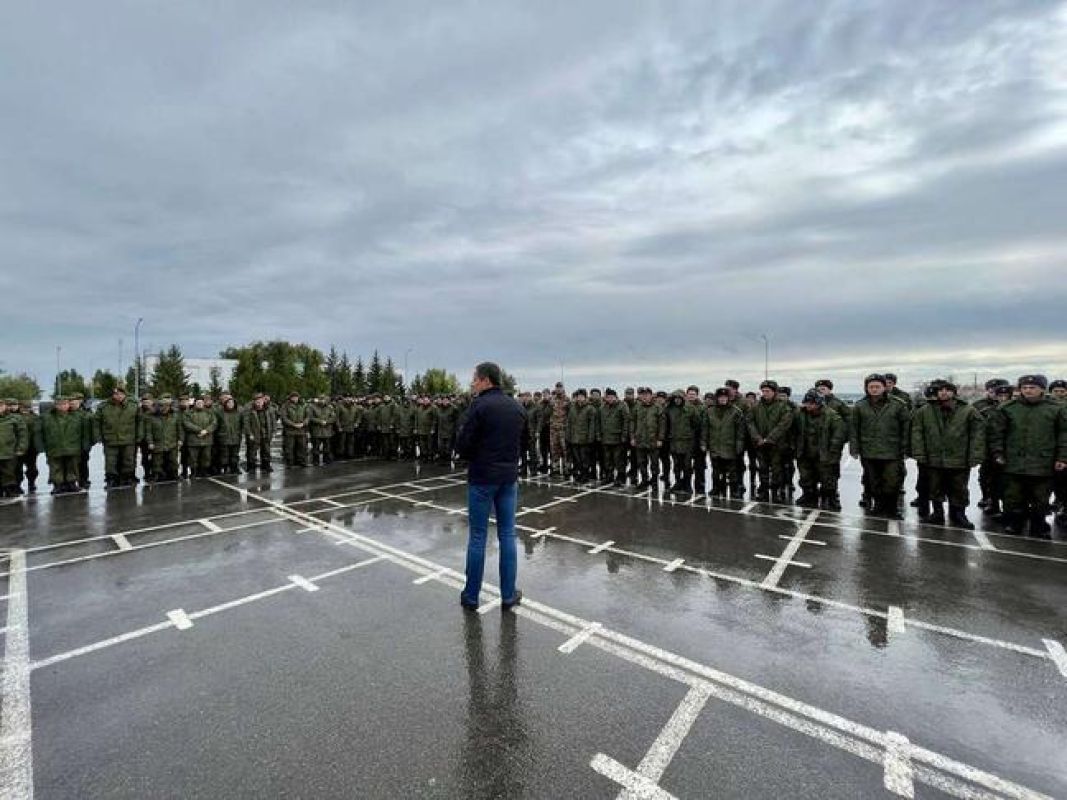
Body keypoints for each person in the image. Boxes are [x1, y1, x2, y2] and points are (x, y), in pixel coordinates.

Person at [455, 362, 526, 611]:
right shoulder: (516, 407)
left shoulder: (479, 406)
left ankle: (471, 596)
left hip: (483, 479)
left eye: (475, 378)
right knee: (508, 534)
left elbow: (463, 445)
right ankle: (508, 595)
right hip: (508, 478)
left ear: (486, 380)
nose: (472, 383)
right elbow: (523, 443)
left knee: (477, 537)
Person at [987, 375, 1067, 538]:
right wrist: (998, 453)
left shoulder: (1057, 409)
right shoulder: (1008, 408)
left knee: (1041, 498)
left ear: (1042, 389)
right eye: (1024, 388)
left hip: (1043, 462)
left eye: (1032, 387)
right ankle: (1016, 523)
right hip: (1014, 462)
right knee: (1014, 497)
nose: (1028, 390)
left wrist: (1062, 458)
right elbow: (996, 434)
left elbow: (1064, 435)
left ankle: (1038, 525)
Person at [910, 380, 984, 528]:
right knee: (935, 487)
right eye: (940, 390)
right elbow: (917, 432)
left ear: (954, 392)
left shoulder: (968, 411)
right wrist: (919, 453)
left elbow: (978, 434)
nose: (944, 393)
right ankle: (937, 513)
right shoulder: (925, 411)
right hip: (934, 457)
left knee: (959, 488)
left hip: (959, 458)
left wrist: (975, 455)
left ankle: (959, 514)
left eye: (947, 390)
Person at [850, 374, 910, 519]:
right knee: (873, 482)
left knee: (892, 482)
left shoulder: (898, 404)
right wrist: (854, 449)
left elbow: (906, 428)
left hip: (892, 451)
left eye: (877, 386)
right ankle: (878, 507)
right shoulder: (860, 406)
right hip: (869, 451)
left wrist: (906, 449)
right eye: (871, 387)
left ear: (884, 387)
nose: (874, 389)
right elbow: (854, 429)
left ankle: (892, 508)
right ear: (866, 388)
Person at [794, 389, 847, 509]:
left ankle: (831, 498)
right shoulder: (799, 414)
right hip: (805, 451)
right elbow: (793, 430)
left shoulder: (832, 416)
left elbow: (838, 435)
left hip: (824, 453)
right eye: (807, 403)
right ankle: (809, 495)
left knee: (828, 478)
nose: (809, 405)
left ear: (819, 403)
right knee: (806, 477)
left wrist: (833, 452)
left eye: (811, 403)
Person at [96, 384, 141, 488]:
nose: (118, 396)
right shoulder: (104, 407)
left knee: (128, 460)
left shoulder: (133, 405)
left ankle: (127, 478)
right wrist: (98, 436)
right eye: (116, 394)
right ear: (112, 395)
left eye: (121, 394)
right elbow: (96, 422)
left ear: (125, 394)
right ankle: (111, 479)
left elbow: (140, 422)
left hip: (129, 438)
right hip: (110, 439)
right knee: (110, 462)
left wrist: (139, 436)